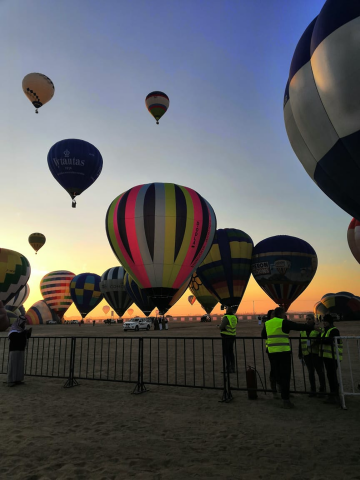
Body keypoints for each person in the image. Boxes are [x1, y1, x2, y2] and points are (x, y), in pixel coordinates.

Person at [262, 306, 319, 409]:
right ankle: (286, 399)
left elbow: (263, 335)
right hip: (283, 352)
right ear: (280, 314)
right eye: (284, 313)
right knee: (285, 375)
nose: (285, 315)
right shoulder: (283, 322)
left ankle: (279, 392)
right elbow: (297, 326)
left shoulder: (267, 323)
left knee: (277, 373)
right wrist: (312, 327)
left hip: (272, 352)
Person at [298, 313, 326, 397]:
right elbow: (300, 342)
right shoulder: (302, 330)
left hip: (316, 353)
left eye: (309, 319)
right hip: (306, 354)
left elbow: (322, 340)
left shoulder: (319, 329)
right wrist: (300, 354)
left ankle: (322, 390)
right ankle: (312, 390)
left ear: (313, 320)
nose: (307, 320)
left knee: (319, 372)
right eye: (306, 319)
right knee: (310, 372)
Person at [318, 314, 342, 405]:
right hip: (327, 356)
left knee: (332, 376)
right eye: (323, 321)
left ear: (330, 322)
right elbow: (319, 340)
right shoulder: (325, 330)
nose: (323, 323)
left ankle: (335, 395)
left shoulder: (334, 330)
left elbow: (328, 341)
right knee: (330, 376)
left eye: (325, 321)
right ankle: (333, 395)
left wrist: (320, 340)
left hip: (334, 357)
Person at [7, 315, 32, 387]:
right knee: (13, 365)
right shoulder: (13, 331)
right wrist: (23, 334)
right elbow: (15, 339)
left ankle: (18, 379)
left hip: (21, 349)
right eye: (22, 322)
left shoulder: (22, 330)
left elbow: (25, 337)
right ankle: (11, 380)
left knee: (20, 365)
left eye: (24, 323)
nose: (23, 324)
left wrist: (28, 333)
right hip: (14, 350)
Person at [219, 306, 238, 373]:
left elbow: (222, 326)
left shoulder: (226, 317)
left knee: (226, 353)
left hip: (226, 336)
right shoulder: (234, 317)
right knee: (231, 352)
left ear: (227, 311)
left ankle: (228, 368)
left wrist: (219, 326)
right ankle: (233, 368)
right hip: (232, 336)